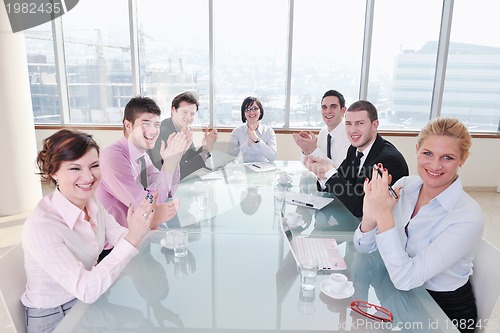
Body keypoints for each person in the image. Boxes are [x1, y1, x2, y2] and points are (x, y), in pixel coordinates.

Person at [21, 129, 158, 333]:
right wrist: (133, 237)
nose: (88, 176)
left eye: (94, 166)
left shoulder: (91, 202)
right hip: (54, 318)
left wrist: (150, 233)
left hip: (84, 302)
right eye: (75, 168)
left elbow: (120, 236)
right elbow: (87, 289)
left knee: (141, 319)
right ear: (54, 172)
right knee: (140, 324)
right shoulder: (43, 226)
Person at [355, 117, 483, 333]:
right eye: (427, 153)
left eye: (448, 157)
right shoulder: (405, 186)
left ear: (463, 158)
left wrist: (384, 215)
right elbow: (364, 248)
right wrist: (369, 216)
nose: (434, 165)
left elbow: (406, 279)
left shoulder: (468, 216)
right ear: (417, 149)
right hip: (400, 296)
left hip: (442, 314)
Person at [304, 100, 409, 217]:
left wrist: (329, 171)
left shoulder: (388, 160)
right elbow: (343, 183)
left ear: (374, 125)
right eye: (348, 124)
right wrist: (321, 173)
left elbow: (360, 207)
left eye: (359, 123)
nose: (352, 130)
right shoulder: (354, 149)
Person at [97, 96, 190, 228]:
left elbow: (166, 192)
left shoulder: (142, 156)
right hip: (117, 243)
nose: (153, 131)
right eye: (145, 124)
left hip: (140, 234)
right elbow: (147, 206)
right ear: (128, 125)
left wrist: (175, 159)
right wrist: (168, 164)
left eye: (157, 125)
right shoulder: (113, 159)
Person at [148, 91, 218, 179]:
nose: (189, 118)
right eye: (185, 112)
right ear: (173, 110)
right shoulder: (161, 133)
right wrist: (204, 153)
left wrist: (206, 147)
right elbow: (176, 173)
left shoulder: (184, 129)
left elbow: (190, 157)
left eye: (192, 114)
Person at [293, 89, 350, 168]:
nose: (328, 111)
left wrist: (312, 150)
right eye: (324, 107)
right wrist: (306, 149)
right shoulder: (323, 132)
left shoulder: (349, 135)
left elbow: (340, 170)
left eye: (333, 107)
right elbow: (307, 165)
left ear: (343, 110)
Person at [229, 96, 277, 163]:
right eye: (247, 109)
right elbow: (231, 155)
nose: (251, 112)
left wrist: (257, 140)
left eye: (255, 108)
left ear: (260, 111)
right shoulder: (237, 132)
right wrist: (248, 144)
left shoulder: (269, 131)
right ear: (244, 113)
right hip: (242, 170)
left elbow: (272, 157)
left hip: (263, 170)